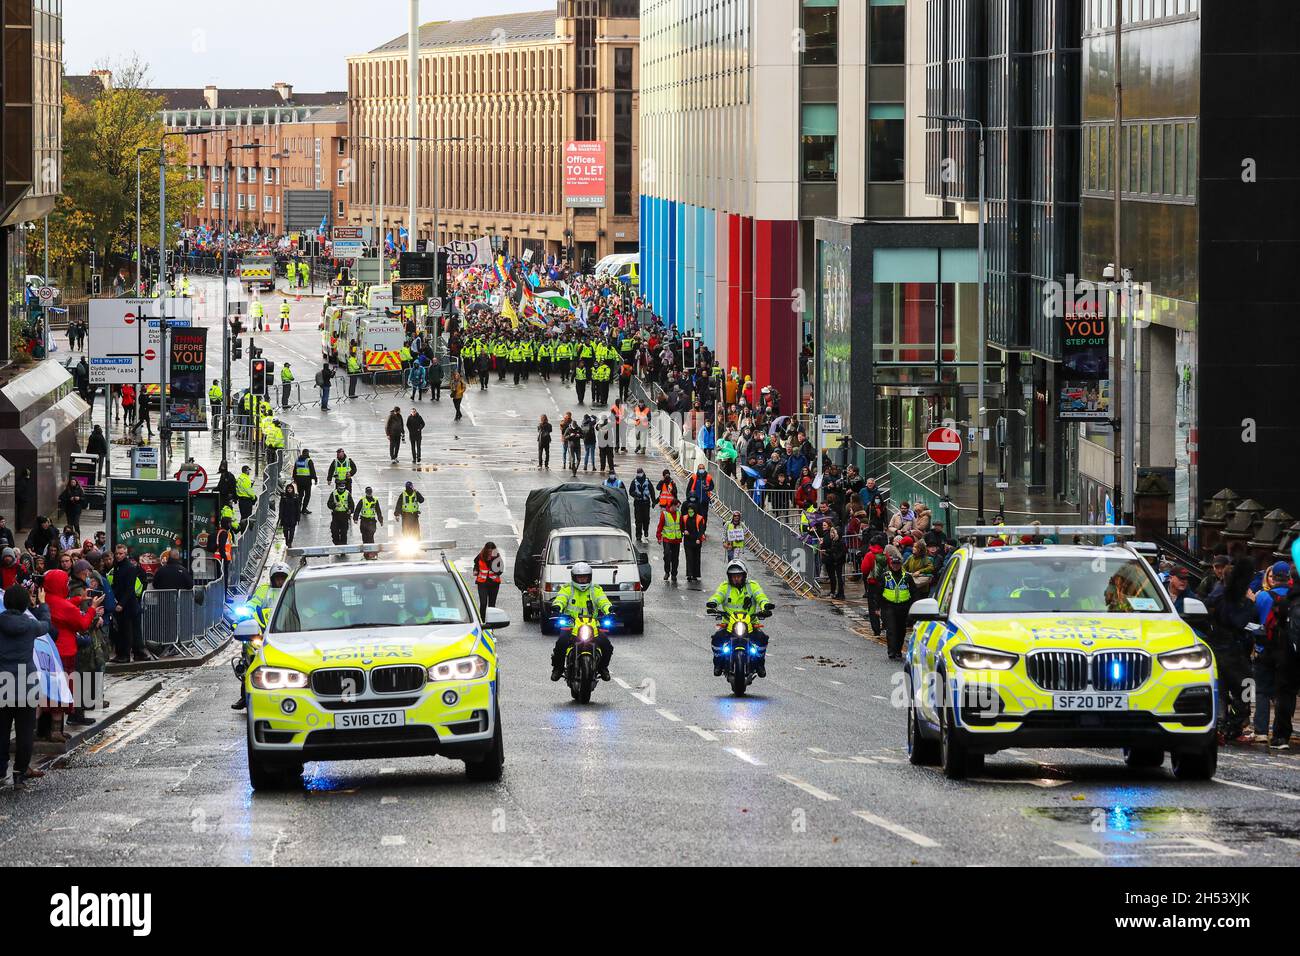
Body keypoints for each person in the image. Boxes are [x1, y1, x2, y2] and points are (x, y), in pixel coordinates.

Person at [0, 584, 52, 786]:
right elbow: (47, 624)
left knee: (2, 730)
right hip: (26, 684)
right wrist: (43, 604)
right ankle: (20, 771)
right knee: (25, 731)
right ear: (24, 604)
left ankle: (0, 770)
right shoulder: (30, 626)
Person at [1207, 556, 1257, 744]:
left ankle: (1225, 725)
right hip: (1229, 651)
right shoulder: (1227, 597)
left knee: (1227, 689)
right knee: (1247, 686)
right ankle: (1231, 727)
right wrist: (1250, 603)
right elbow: (1237, 621)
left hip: (1225, 650)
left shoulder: (1220, 593)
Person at [706, 560, 774, 677]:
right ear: (729, 577)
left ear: (744, 575)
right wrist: (712, 603)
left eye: (738, 576)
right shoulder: (725, 587)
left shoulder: (752, 586)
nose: (736, 578)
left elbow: (761, 596)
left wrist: (765, 605)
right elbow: (717, 596)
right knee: (716, 638)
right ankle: (718, 663)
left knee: (762, 638)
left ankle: (760, 664)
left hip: (751, 624)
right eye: (733, 576)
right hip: (729, 625)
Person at [549, 562, 614, 682]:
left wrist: (609, 609)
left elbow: (603, 600)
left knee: (607, 645)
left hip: (592, 625)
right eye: (580, 577)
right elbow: (561, 598)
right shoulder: (568, 589)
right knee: (561, 643)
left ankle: (603, 668)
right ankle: (557, 668)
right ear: (574, 577)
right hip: (571, 624)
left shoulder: (595, 589)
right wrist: (557, 606)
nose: (583, 580)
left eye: (585, 577)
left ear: (590, 577)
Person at [1268, 567, 1300, 750]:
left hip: (1288, 657)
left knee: (1285, 696)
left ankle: (1281, 736)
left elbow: (1274, 626)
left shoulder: (1285, 602)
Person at [108, 544, 149, 663]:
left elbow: (129, 589)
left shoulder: (130, 567)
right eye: (117, 553)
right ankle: (137, 653)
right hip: (122, 602)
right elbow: (116, 585)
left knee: (128, 631)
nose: (118, 556)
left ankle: (127, 654)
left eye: (121, 554)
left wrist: (121, 603)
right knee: (127, 630)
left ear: (125, 554)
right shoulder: (117, 567)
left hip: (129, 604)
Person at [880, 548, 911, 660]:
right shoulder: (885, 576)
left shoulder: (907, 576)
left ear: (900, 564)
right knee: (891, 629)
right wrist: (878, 608)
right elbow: (878, 592)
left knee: (901, 630)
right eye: (893, 564)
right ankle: (891, 651)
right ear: (890, 564)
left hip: (903, 607)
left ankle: (898, 650)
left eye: (898, 564)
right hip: (889, 606)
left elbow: (914, 593)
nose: (895, 566)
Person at [474, 541, 504, 620]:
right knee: (483, 603)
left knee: (491, 605)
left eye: (492, 551)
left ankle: (491, 621)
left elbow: (501, 570)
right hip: (482, 583)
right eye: (488, 551)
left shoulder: (497, 558)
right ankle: (482, 620)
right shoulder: (480, 557)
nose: (490, 553)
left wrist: (494, 569)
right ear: (485, 550)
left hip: (494, 584)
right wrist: (475, 570)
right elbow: (476, 565)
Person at [656, 497, 683, 584]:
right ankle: (667, 572)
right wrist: (659, 537)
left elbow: (682, 524)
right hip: (667, 539)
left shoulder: (679, 513)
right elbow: (660, 526)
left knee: (675, 558)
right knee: (667, 556)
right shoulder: (665, 514)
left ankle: (674, 574)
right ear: (672, 506)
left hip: (676, 540)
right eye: (676, 506)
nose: (677, 508)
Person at [353, 486, 384, 556]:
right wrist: (355, 518)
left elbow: (378, 511)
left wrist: (380, 520)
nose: (369, 494)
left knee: (370, 536)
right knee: (364, 537)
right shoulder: (362, 500)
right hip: (364, 520)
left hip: (372, 521)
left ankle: (372, 551)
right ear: (366, 493)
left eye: (370, 492)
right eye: (368, 492)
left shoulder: (375, 500)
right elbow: (357, 509)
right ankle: (366, 552)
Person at [682, 501, 707, 583]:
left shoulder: (699, 518)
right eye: (689, 511)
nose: (690, 513)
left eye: (692, 511)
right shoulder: (685, 518)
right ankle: (689, 574)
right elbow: (681, 526)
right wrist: (684, 531)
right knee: (689, 558)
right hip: (688, 541)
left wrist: (698, 539)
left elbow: (701, 530)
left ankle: (695, 575)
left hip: (696, 541)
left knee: (696, 558)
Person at [822, 525, 847, 600]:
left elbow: (842, 552)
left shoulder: (840, 541)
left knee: (839, 578)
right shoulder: (835, 540)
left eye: (834, 532)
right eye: (832, 532)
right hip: (837, 561)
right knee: (838, 577)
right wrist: (826, 551)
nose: (832, 534)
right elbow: (833, 550)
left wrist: (836, 558)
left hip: (839, 561)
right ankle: (839, 593)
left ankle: (841, 594)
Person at [629, 468, 653, 543]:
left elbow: (652, 491)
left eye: (640, 473)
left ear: (643, 473)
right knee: (638, 520)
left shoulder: (647, 481)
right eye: (638, 473)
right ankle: (638, 535)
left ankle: (646, 530)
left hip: (646, 503)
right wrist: (635, 495)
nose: (639, 474)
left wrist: (654, 501)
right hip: (638, 503)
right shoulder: (634, 481)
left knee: (646, 519)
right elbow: (631, 491)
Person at [328, 482, 355, 546]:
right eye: (340, 489)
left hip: (344, 515)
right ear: (337, 488)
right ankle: (337, 543)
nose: (341, 490)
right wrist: (334, 505)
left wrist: (350, 510)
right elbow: (329, 504)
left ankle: (343, 546)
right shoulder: (334, 493)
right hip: (336, 515)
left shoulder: (347, 493)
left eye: (343, 489)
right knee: (334, 531)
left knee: (344, 532)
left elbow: (352, 504)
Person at [293, 448, 318, 514]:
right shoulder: (309, 460)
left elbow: (295, 470)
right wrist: (315, 479)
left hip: (299, 481)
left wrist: (294, 479)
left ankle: (298, 509)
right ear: (307, 453)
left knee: (300, 495)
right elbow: (312, 471)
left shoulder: (297, 460)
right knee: (307, 495)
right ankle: (304, 509)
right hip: (307, 481)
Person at [278, 481, 301, 548]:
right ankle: (286, 539)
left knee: (292, 531)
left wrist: (298, 517)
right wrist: (280, 516)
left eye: (291, 488)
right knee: (285, 531)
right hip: (285, 517)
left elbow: (298, 508)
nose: (289, 490)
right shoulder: (284, 497)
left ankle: (290, 542)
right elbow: (281, 507)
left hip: (293, 517)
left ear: (293, 489)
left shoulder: (295, 497)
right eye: (288, 488)